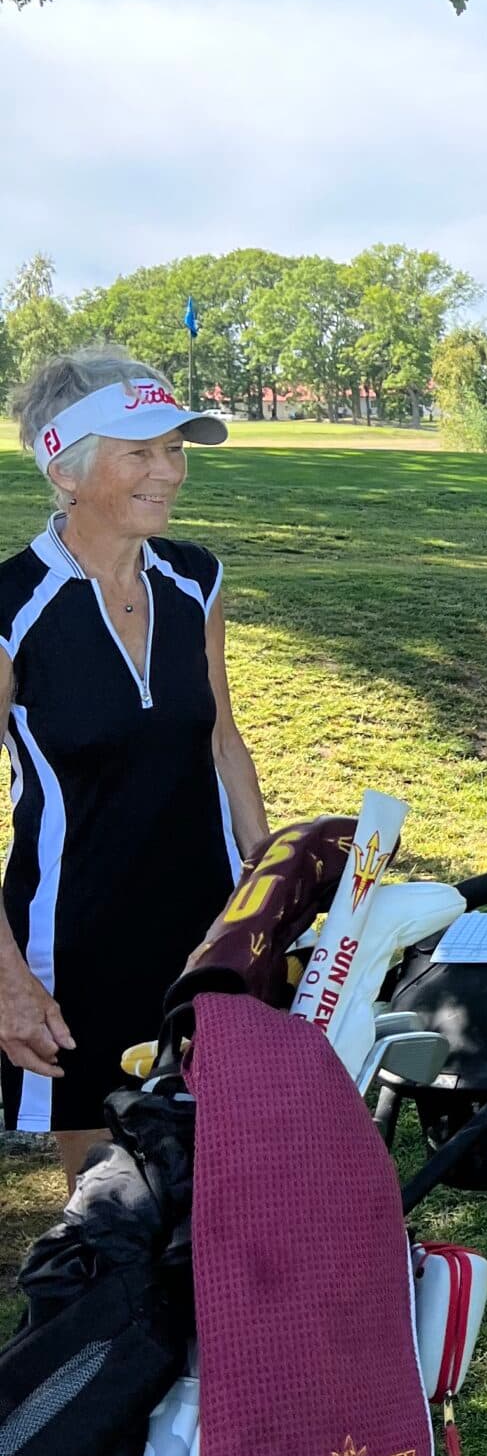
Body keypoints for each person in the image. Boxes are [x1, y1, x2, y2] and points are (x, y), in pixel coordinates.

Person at [1, 349, 270, 1187]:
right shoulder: (11, 608)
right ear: (67, 469)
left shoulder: (196, 579)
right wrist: (8, 981)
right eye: (142, 452)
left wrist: (271, 884)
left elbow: (222, 738)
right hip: (74, 946)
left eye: (176, 449)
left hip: (207, 927)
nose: (171, 472)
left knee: (222, 1169)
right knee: (108, 1194)